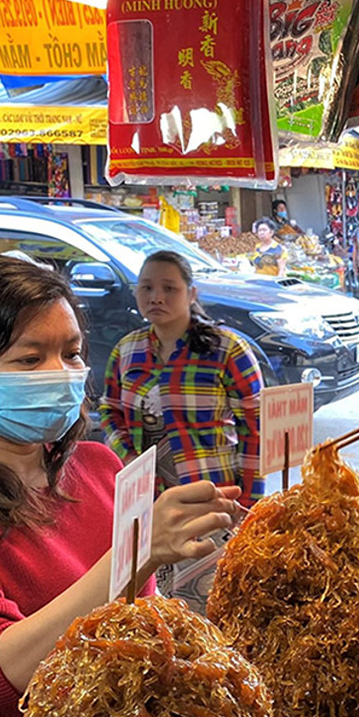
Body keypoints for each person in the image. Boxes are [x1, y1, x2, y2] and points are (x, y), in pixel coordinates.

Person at [0, 256, 241, 717]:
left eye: (72, 353)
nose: (61, 374)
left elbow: (140, 620)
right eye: (30, 360)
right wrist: (135, 551)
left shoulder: (100, 469)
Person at [100, 251, 263, 612]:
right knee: (154, 607)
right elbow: (109, 410)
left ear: (191, 293)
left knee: (215, 606)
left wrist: (250, 504)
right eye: (146, 288)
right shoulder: (126, 352)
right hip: (147, 505)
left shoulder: (227, 351)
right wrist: (128, 457)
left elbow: (256, 430)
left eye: (168, 288)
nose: (156, 297)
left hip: (212, 503)